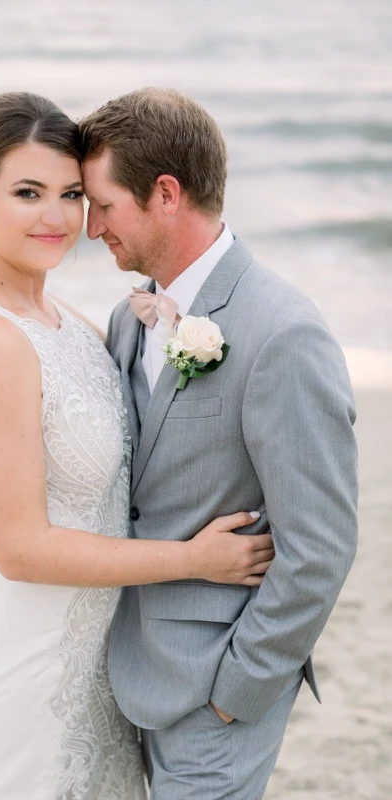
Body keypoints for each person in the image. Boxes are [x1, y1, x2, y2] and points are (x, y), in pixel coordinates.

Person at [0, 92, 274, 800]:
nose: (58, 217)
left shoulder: (66, 319)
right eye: (28, 192)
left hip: (85, 656)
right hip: (10, 654)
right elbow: (20, 549)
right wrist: (193, 561)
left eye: (72, 194)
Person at [75, 88, 358, 799]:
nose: (88, 227)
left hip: (214, 687)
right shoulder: (126, 315)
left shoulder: (282, 331)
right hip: (118, 665)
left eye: (102, 204)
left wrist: (240, 688)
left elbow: (319, 542)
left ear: (164, 193)